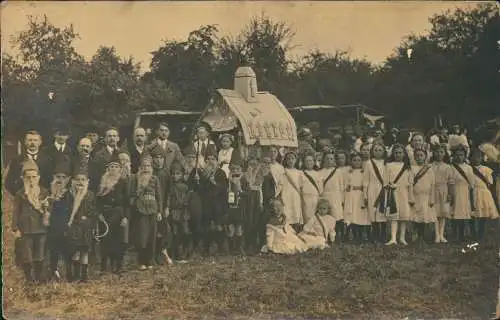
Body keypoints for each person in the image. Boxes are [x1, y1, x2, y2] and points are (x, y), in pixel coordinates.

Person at [11, 160, 51, 283]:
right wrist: (15, 228)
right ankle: (29, 277)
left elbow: (49, 210)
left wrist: (46, 207)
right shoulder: (20, 193)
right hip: (26, 228)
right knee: (26, 254)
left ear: (38, 178)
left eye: (34, 177)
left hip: (40, 227)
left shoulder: (44, 192)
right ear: (23, 178)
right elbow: (16, 211)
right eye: (28, 177)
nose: (31, 180)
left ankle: (38, 276)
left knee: (39, 252)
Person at [129, 155, 166, 270]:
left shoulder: (155, 179)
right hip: (140, 210)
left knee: (151, 237)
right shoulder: (135, 178)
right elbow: (130, 195)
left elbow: (159, 197)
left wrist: (159, 211)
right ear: (140, 167)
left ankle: (150, 260)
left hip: (153, 210)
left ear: (152, 167)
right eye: (143, 166)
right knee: (142, 237)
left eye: (148, 166)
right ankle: (141, 261)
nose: (146, 168)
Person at [95, 154, 129, 274]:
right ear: (108, 169)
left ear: (120, 169)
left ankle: (118, 266)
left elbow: (127, 201)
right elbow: (97, 200)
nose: (113, 169)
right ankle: (104, 267)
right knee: (105, 240)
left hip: (119, 213)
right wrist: (98, 213)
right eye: (111, 166)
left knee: (118, 240)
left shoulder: (123, 182)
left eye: (116, 166)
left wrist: (125, 217)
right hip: (105, 214)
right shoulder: (102, 182)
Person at [66, 165, 98, 282]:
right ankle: (75, 275)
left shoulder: (90, 195)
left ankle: (84, 276)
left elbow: (94, 210)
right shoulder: (69, 194)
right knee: (75, 251)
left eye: (83, 180)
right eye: (78, 179)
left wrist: (88, 217)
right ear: (73, 181)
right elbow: (67, 210)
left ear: (87, 181)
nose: (80, 182)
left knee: (85, 251)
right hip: (74, 227)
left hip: (86, 227)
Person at [46, 155, 73, 281]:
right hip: (52, 225)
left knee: (67, 249)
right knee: (53, 249)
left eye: (63, 178)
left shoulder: (70, 194)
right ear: (53, 178)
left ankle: (69, 272)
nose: (60, 180)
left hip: (66, 225)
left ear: (68, 179)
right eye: (58, 177)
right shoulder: (49, 192)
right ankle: (53, 271)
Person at [199, 145, 229, 255]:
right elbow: (200, 190)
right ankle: (207, 248)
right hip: (206, 203)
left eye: (213, 159)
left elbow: (224, 188)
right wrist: (200, 181)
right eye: (208, 159)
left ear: (216, 160)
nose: (210, 161)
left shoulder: (221, 173)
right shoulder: (202, 173)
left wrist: (214, 183)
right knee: (207, 226)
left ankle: (221, 247)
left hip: (218, 204)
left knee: (218, 225)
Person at [384, 144, 413, 246]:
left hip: (404, 193)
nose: (398, 155)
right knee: (394, 216)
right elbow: (385, 181)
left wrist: (411, 197)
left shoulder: (408, 167)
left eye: (400, 152)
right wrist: (390, 186)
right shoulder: (389, 165)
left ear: (404, 154)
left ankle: (402, 238)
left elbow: (410, 183)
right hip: (393, 193)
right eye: (396, 153)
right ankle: (393, 238)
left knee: (403, 216)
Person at [5, 130, 51, 195]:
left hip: (42, 198)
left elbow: (49, 180)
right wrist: (20, 194)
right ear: (25, 142)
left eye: (35, 140)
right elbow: (8, 183)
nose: (32, 143)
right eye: (30, 140)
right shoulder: (17, 160)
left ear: (40, 142)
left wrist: (43, 195)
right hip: (22, 198)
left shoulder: (47, 160)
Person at [470, 148, 499, 242]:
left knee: (484, 213)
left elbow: (489, 182)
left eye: (478, 157)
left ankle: (481, 234)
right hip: (473, 191)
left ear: (482, 158)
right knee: (473, 214)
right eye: (474, 157)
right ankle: (473, 233)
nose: (476, 159)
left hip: (483, 192)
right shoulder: (468, 169)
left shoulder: (486, 169)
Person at [449, 144, 475, 242]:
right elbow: (450, 181)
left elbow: (471, 182)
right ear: (453, 156)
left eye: (461, 155)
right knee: (454, 212)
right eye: (457, 155)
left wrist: (471, 193)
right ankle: (454, 233)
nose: (459, 157)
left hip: (464, 192)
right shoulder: (451, 167)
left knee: (463, 213)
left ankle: (461, 234)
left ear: (465, 156)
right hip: (455, 191)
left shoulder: (468, 168)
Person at [166, 161, 191, 261]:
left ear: (182, 175)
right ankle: (176, 252)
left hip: (184, 212)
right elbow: (168, 199)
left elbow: (188, 199)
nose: (175, 176)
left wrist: (185, 204)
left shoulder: (186, 187)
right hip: (174, 212)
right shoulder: (170, 188)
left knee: (185, 231)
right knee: (175, 232)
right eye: (173, 174)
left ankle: (186, 250)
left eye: (178, 174)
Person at [363, 143, 388, 243]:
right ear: (372, 152)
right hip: (372, 189)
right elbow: (365, 181)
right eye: (376, 150)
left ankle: (383, 234)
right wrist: (365, 194)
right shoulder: (369, 163)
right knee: (373, 211)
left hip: (384, 189)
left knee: (383, 211)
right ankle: (375, 234)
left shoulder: (386, 163)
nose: (378, 152)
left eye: (380, 150)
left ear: (384, 151)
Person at [241, 150, 266, 252]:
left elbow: (260, 189)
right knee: (248, 220)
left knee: (256, 220)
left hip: (256, 197)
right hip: (248, 198)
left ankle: (254, 243)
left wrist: (260, 201)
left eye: (255, 163)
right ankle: (247, 243)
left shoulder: (260, 174)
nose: (253, 165)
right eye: (251, 163)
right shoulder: (244, 175)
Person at [411, 148, 436, 244]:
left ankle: (422, 235)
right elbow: (410, 183)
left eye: (421, 155)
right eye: (417, 155)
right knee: (415, 216)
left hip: (426, 196)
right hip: (415, 195)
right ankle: (415, 233)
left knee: (423, 216)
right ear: (414, 157)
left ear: (425, 157)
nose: (419, 157)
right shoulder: (412, 169)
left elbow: (432, 185)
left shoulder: (429, 170)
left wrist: (432, 198)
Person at [344, 152, 370, 243]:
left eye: (359, 160)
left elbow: (366, 183)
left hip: (361, 195)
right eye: (354, 160)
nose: (357, 162)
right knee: (352, 215)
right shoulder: (349, 172)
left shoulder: (364, 172)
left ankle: (362, 235)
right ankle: (353, 234)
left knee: (361, 215)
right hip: (351, 195)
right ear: (351, 161)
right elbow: (346, 184)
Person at [431, 144, 454, 243]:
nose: (439, 154)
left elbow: (451, 182)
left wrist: (450, 194)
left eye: (441, 152)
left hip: (444, 190)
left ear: (445, 154)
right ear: (433, 153)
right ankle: (436, 235)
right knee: (435, 213)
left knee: (443, 213)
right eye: (437, 152)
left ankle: (442, 234)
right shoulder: (430, 166)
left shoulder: (448, 167)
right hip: (433, 190)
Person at [320, 150, 345, 242]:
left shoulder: (338, 171)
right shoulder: (321, 172)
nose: (329, 160)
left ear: (334, 160)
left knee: (337, 215)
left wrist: (342, 199)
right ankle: (327, 235)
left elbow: (342, 186)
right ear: (324, 160)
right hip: (325, 195)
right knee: (327, 215)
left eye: (331, 158)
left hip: (336, 195)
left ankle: (339, 235)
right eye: (327, 159)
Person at [225, 152, 247, 255]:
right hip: (230, 207)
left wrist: (241, 190)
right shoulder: (228, 181)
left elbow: (248, 193)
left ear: (241, 170)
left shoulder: (244, 181)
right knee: (230, 228)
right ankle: (231, 247)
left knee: (238, 227)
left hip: (240, 207)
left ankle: (238, 247)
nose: (235, 171)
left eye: (238, 169)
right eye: (233, 169)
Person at [90, 127, 123, 192]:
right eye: (109, 136)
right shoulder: (98, 155)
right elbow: (95, 175)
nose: (112, 138)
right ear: (105, 139)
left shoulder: (123, 153)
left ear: (118, 138)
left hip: (120, 189)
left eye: (114, 136)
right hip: (104, 189)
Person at [282, 151, 304, 232]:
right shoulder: (283, 172)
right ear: (285, 160)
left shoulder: (299, 172)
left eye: (292, 158)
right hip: (286, 195)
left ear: (296, 160)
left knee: (296, 214)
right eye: (288, 158)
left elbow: (301, 186)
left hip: (295, 196)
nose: (290, 160)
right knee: (287, 215)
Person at [301, 152, 323, 225]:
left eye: (310, 160)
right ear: (304, 162)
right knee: (307, 218)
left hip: (315, 197)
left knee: (316, 218)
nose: (309, 162)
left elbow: (320, 187)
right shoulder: (301, 173)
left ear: (314, 162)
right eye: (307, 161)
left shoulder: (318, 173)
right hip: (305, 198)